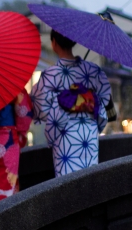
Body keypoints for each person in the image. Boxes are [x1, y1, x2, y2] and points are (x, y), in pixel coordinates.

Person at [31, 30, 112, 177]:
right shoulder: (93, 71)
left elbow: (40, 108)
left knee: (66, 180)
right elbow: (105, 99)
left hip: (64, 132)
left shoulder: (50, 75)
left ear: (54, 43)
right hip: (89, 133)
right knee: (90, 176)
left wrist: (63, 103)